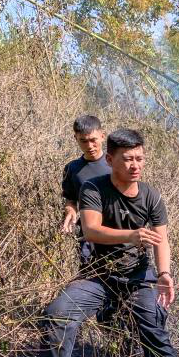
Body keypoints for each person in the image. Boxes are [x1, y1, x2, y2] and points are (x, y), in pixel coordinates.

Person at [44, 128, 178, 357]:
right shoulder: (93, 188)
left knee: (155, 327)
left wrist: (164, 273)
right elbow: (91, 230)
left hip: (138, 278)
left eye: (139, 158)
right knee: (58, 313)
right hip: (98, 276)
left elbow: (161, 239)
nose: (135, 165)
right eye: (128, 158)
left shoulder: (152, 196)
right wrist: (132, 235)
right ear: (109, 159)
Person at [60, 115, 111, 269]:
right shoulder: (72, 169)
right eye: (83, 141)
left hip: (119, 235)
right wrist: (70, 212)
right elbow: (71, 200)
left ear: (102, 136)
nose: (89, 146)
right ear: (75, 138)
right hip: (88, 238)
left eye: (93, 139)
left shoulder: (117, 164)